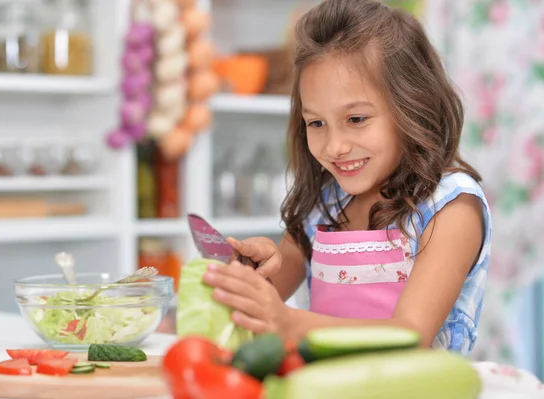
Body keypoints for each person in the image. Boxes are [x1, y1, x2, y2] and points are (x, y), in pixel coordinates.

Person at [202, 0, 491, 355]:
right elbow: (266, 299)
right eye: (316, 123)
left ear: (412, 105)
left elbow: (410, 336)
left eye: (356, 119)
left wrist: (291, 323)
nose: (335, 146)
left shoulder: (450, 207)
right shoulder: (323, 205)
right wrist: (253, 273)